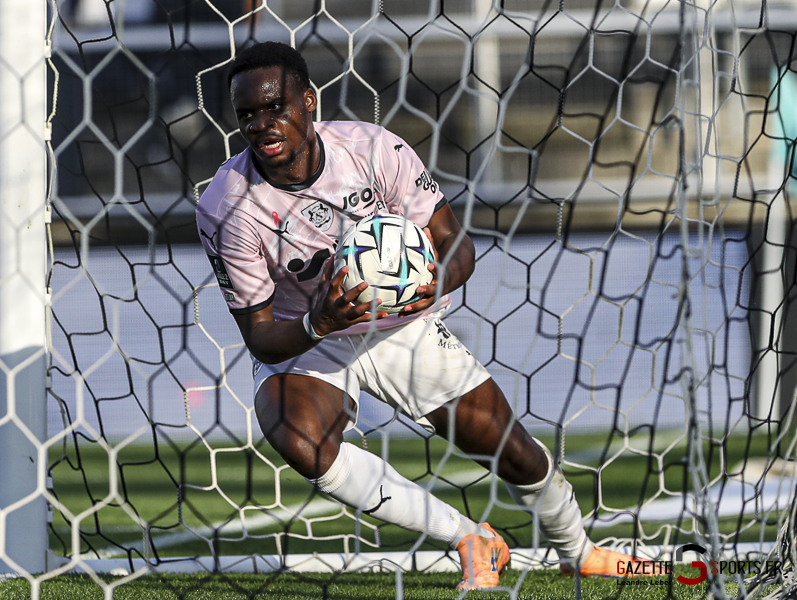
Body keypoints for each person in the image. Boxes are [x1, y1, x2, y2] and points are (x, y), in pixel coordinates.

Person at [196, 41, 654, 590]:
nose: (262, 124)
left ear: (309, 102)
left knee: (514, 452)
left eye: (276, 107)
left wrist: (425, 287)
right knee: (301, 439)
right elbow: (262, 337)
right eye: (247, 115)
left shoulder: (373, 150)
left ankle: (579, 551)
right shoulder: (227, 207)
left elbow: (454, 244)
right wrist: (319, 322)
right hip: (311, 335)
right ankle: (469, 538)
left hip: (401, 326)